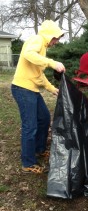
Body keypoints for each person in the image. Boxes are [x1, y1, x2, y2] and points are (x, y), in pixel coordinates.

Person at [11, 20, 66, 174]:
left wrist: (52, 89)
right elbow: (28, 54)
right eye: (56, 38)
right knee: (30, 126)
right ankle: (28, 162)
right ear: (49, 35)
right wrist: (52, 63)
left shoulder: (43, 48)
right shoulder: (37, 40)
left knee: (44, 118)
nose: (56, 42)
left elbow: (38, 74)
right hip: (22, 88)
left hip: (32, 90)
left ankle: (39, 149)